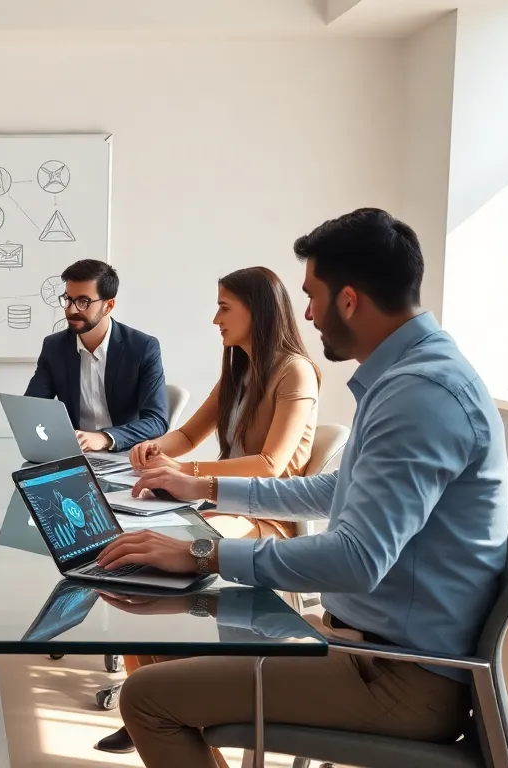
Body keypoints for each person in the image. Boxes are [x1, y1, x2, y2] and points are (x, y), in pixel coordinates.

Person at [96, 208, 508, 768]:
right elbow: (333, 489)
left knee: (148, 700)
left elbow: (357, 559)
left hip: (397, 675)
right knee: (164, 651)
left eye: (313, 295)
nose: (308, 313)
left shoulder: (420, 392)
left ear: (349, 300)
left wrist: (202, 553)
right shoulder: (410, 376)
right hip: (367, 647)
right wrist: (205, 490)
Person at [94, 266, 321, 755]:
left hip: (266, 517)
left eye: (224, 307)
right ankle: (151, 695)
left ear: (256, 311)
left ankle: (167, 700)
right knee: (133, 557)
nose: (216, 319)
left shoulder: (295, 372)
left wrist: (186, 472)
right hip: (219, 503)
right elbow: (187, 434)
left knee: (165, 555)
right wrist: (154, 450)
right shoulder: (238, 368)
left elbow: (271, 464)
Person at [24, 259, 170, 452]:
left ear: (108, 305)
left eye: (83, 302)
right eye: (68, 299)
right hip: (75, 454)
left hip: (127, 455)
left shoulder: (142, 348)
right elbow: (32, 409)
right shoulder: (54, 347)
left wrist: (105, 438)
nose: (71, 309)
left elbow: (157, 421)